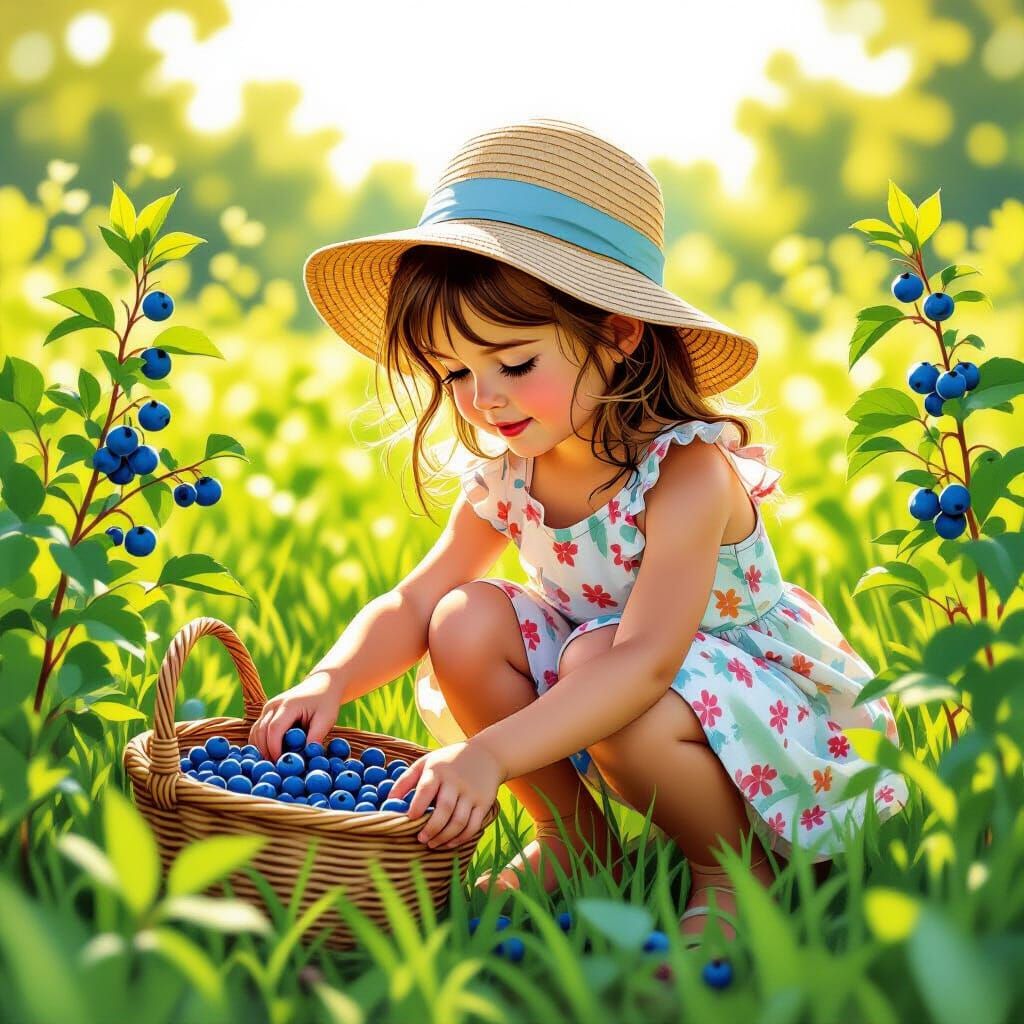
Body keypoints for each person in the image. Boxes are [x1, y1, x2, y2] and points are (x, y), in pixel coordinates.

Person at [250, 117, 909, 948]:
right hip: (605, 677)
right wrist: (331, 678)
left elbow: (645, 660)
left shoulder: (685, 472)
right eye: (455, 372)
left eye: (514, 364)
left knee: (597, 658)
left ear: (618, 332)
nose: (483, 399)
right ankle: (578, 842)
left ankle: (733, 868)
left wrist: (488, 756)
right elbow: (416, 597)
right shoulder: (511, 473)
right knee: (463, 620)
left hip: (745, 706)